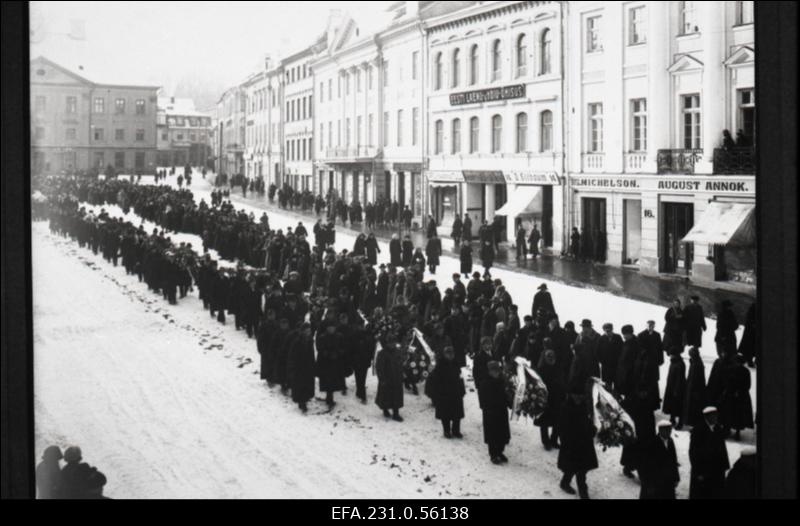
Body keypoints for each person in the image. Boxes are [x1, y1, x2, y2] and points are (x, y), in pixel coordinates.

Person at [558, 393, 598, 499]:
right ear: (571, 395)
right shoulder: (566, 407)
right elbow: (561, 426)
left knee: (580, 469)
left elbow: (589, 422)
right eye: (576, 395)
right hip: (571, 443)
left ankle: (566, 483)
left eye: (580, 396)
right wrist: (564, 440)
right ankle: (582, 492)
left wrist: (592, 430)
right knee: (575, 467)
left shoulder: (585, 406)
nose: (578, 398)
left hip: (584, 442)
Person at [689, 407, 730, 499]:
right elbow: (693, 452)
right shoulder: (698, 430)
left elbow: (722, 448)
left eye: (716, 415)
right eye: (713, 416)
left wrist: (725, 465)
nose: (716, 418)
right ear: (707, 417)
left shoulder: (718, 428)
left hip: (717, 470)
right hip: (703, 470)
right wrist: (698, 471)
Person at [428, 346, 466, 438]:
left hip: (456, 392)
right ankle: (447, 430)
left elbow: (460, 377)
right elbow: (434, 379)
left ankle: (456, 430)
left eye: (452, 353)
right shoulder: (440, 365)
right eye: (448, 354)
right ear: (444, 354)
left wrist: (462, 389)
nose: (450, 355)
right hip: (444, 393)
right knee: (445, 414)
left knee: (457, 413)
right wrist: (436, 393)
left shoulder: (456, 364)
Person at [639, 421, 680, 499]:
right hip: (655, 483)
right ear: (660, 430)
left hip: (668, 482)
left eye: (670, 430)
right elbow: (645, 466)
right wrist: (648, 484)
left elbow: (673, 460)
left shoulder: (670, 441)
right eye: (666, 430)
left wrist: (676, 477)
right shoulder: (652, 443)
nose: (669, 432)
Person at [480, 361, 511, 465]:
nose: (495, 373)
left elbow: (507, 394)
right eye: (493, 371)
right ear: (489, 371)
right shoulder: (485, 383)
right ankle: (493, 454)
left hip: (501, 411)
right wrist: (486, 408)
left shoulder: (502, 381)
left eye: (497, 371)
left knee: (502, 434)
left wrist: (510, 402)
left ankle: (500, 452)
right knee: (492, 435)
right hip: (490, 412)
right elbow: (482, 398)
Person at [535, 347, 565, 450]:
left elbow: (562, 382)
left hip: (557, 398)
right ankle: (546, 441)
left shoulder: (559, 368)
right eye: (548, 357)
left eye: (552, 357)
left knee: (558, 420)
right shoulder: (541, 369)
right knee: (544, 420)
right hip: (546, 398)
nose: (551, 359)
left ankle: (554, 440)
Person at [719, 354, 754, 440]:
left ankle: (731, 431)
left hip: (734, 395)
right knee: (735, 414)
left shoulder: (732, 370)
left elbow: (747, 385)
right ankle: (731, 431)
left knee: (732, 414)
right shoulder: (743, 371)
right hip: (737, 395)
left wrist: (735, 391)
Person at [287, 323, 316, 413]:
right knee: (300, 385)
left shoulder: (310, 341)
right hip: (299, 367)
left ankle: (304, 400)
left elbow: (311, 354)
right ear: (303, 331)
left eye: (309, 331)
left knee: (307, 384)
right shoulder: (297, 342)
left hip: (308, 366)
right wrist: (292, 367)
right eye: (306, 331)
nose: (308, 332)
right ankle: (302, 402)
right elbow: (292, 356)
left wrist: (313, 365)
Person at [316, 323, 346, 409]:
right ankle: (329, 397)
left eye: (332, 327)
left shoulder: (339, 336)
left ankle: (330, 396)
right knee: (327, 381)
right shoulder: (322, 337)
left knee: (333, 381)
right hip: (326, 363)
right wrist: (327, 354)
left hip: (336, 363)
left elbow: (343, 347)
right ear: (327, 328)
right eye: (329, 328)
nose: (331, 329)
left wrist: (339, 353)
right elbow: (320, 349)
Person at [375, 339, 405, 421]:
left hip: (397, 378)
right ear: (387, 344)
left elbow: (401, 362)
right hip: (387, 378)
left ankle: (396, 413)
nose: (393, 344)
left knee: (397, 396)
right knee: (386, 395)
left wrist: (402, 373)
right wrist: (382, 378)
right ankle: (385, 409)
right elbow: (379, 367)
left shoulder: (398, 351)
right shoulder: (382, 353)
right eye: (391, 343)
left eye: (394, 342)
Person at [663, 348, 687, 429]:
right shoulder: (674, 362)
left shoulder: (680, 364)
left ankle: (680, 423)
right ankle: (672, 419)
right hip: (671, 387)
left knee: (678, 406)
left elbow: (680, 378)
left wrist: (676, 390)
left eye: (672, 355)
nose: (670, 357)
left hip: (677, 389)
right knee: (672, 405)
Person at [682, 346, 706, 428]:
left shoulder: (697, 364)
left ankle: (694, 425)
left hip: (695, 391)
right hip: (692, 389)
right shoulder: (695, 362)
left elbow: (697, 379)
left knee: (694, 409)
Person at [597, 323, 622, 391]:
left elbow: (621, 350)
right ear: (604, 330)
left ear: (612, 330)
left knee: (617, 385)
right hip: (606, 367)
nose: (608, 332)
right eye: (606, 331)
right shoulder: (601, 339)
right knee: (607, 386)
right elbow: (598, 352)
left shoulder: (618, 337)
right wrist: (602, 361)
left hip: (616, 366)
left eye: (609, 330)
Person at [738, 302, 757, 367]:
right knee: (750, 347)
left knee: (750, 348)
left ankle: (748, 360)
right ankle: (749, 361)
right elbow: (750, 320)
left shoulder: (752, 309)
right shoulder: (753, 309)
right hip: (751, 333)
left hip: (751, 332)